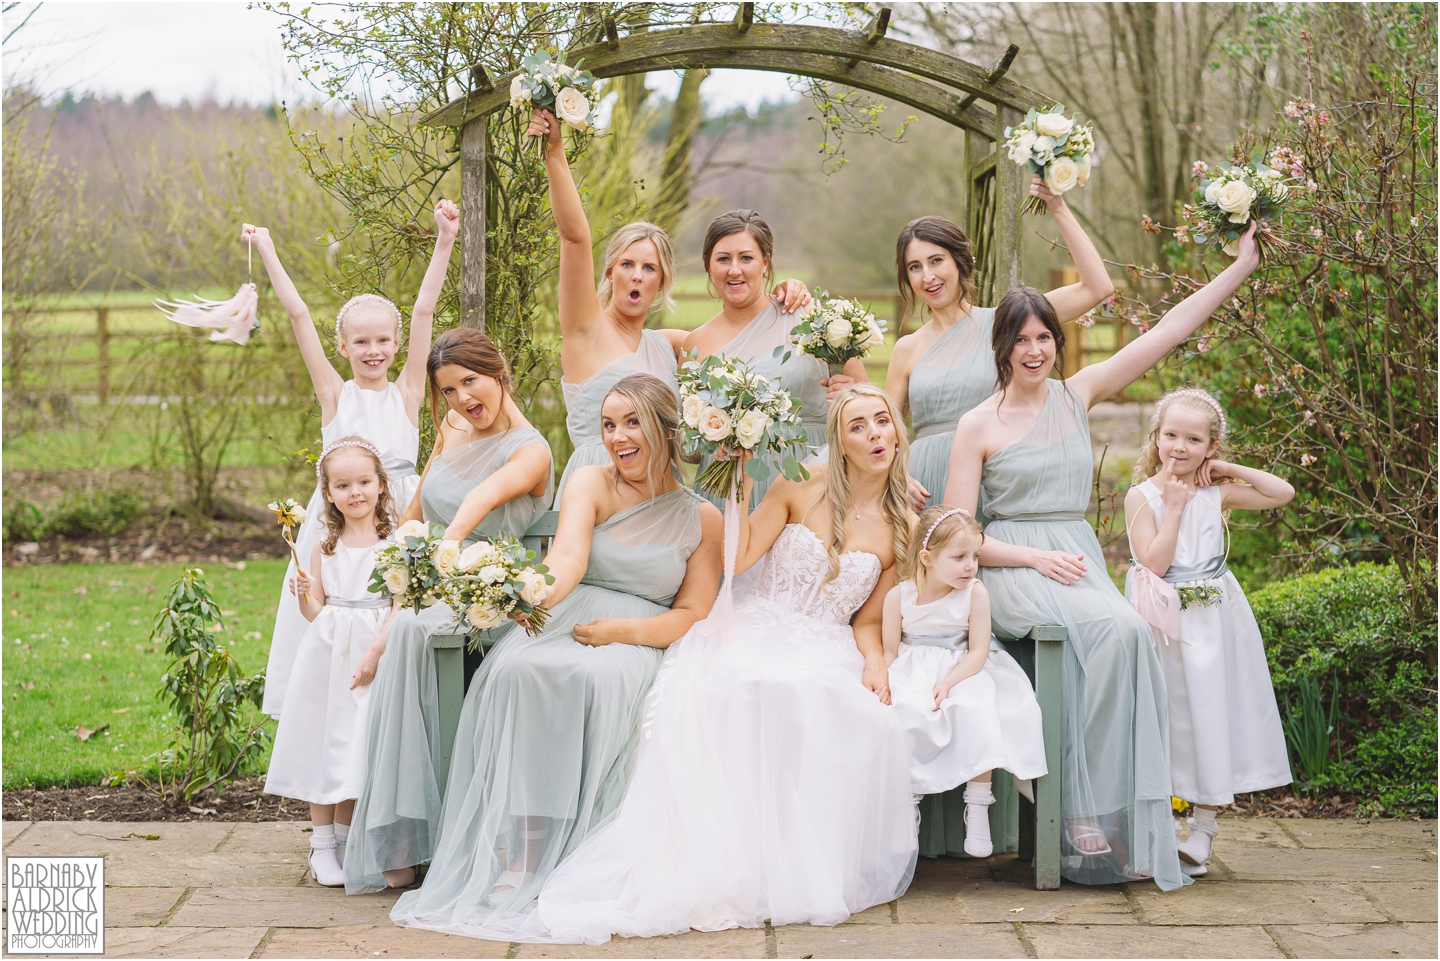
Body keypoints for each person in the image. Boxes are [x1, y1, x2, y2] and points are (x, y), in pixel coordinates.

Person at [521, 384, 918, 944]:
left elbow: (869, 622)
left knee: (825, 698)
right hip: (761, 622)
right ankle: (721, 858)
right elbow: (740, 557)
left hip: (826, 642)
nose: (875, 434)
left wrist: (875, 664)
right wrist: (744, 480)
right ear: (839, 440)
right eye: (858, 425)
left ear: (898, 432)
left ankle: (787, 866)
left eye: (883, 421)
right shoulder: (802, 484)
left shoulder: (902, 524)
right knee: (741, 680)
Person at [943, 221, 1261, 890]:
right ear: (1002, 347)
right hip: (1011, 566)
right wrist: (1029, 559)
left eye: (1045, 337)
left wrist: (1240, 268)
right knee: (1106, 629)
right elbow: (957, 533)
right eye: (1023, 339)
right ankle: (1064, 796)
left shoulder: (1077, 395)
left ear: (1057, 343)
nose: (1036, 350)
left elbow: (1168, 331)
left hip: (1076, 557)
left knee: (1126, 634)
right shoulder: (978, 425)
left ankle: (1114, 806)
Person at [390, 373, 723, 938]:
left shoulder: (702, 517)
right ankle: (523, 843)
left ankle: (579, 847)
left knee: (590, 681)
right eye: (609, 425)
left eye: (632, 422)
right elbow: (566, 557)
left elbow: (693, 613)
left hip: (640, 629)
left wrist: (624, 632)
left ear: (667, 428)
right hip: (567, 611)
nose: (618, 437)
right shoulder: (592, 482)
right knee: (522, 668)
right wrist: (532, 593)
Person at [344, 329, 553, 893]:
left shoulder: (530, 448)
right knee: (406, 627)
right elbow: (414, 515)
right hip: (435, 594)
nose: (462, 399)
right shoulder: (452, 430)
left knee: (410, 630)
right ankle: (407, 834)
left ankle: (425, 836)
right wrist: (412, 565)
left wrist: (446, 549)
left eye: (470, 381)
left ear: (498, 372)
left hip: (490, 603)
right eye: (448, 390)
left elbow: (480, 500)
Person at [250, 201, 459, 718]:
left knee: (403, 619)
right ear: (342, 346)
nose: (374, 350)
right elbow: (299, 314)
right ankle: (325, 730)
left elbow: (425, 311)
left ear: (395, 345)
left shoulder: (409, 391)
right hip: (338, 526)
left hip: (401, 519)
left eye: (384, 340)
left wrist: (445, 240)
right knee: (329, 631)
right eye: (361, 341)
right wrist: (267, 248)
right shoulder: (334, 395)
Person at [1124, 386, 1295, 877]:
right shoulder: (1143, 496)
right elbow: (1153, 564)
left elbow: (1281, 492)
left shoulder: (1216, 491)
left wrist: (1227, 473)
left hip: (1216, 620)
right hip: (1165, 618)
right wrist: (1174, 507)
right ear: (1156, 437)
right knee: (1165, 717)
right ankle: (1157, 827)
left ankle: (1203, 831)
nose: (1179, 447)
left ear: (1210, 447)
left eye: (1194, 440)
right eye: (1171, 435)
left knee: (1211, 714)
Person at [886, 176, 1112, 514]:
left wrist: (1057, 206)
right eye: (914, 267)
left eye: (936, 261)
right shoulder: (906, 348)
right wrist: (897, 476)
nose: (927, 276)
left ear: (960, 261)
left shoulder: (1005, 324)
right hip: (923, 488)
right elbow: (886, 431)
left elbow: (1096, 288)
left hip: (992, 476)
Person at [264, 437, 400, 885]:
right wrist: (305, 596)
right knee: (326, 743)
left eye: (364, 481)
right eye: (343, 485)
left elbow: (401, 603)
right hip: (330, 651)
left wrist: (377, 649)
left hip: (375, 647)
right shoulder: (323, 544)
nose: (355, 492)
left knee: (358, 746)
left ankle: (346, 839)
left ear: (381, 485)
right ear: (328, 494)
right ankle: (322, 844)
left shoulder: (395, 540)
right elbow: (316, 612)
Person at [527, 108, 683, 495]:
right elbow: (574, 238)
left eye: (649, 268)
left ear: (661, 281)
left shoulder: (669, 346)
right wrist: (555, 152)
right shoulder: (587, 328)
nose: (636, 275)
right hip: (597, 488)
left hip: (661, 490)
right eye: (627, 264)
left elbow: (742, 333)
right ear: (610, 273)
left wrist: (787, 291)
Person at [882, 505, 1046, 859]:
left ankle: (979, 806)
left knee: (975, 708)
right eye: (959, 557)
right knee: (906, 711)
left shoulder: (974, 592)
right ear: (927, 557)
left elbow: (978, 651)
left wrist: (949, 681)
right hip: (913, 668)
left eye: (974, 555)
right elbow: (890, 652)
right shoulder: (900, 596)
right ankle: (906, 810)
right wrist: (889, 684)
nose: (970, 565)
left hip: (964, 667)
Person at [681, 209, 850, 507]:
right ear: (708, 264)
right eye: (723, 259)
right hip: (730, 488)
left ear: (765, 262)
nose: (735, 270)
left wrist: (849, 395)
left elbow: (865, 399)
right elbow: (691, 449)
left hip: (808, 477)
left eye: (746, 258)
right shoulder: (696, 343)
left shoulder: (808, 315)